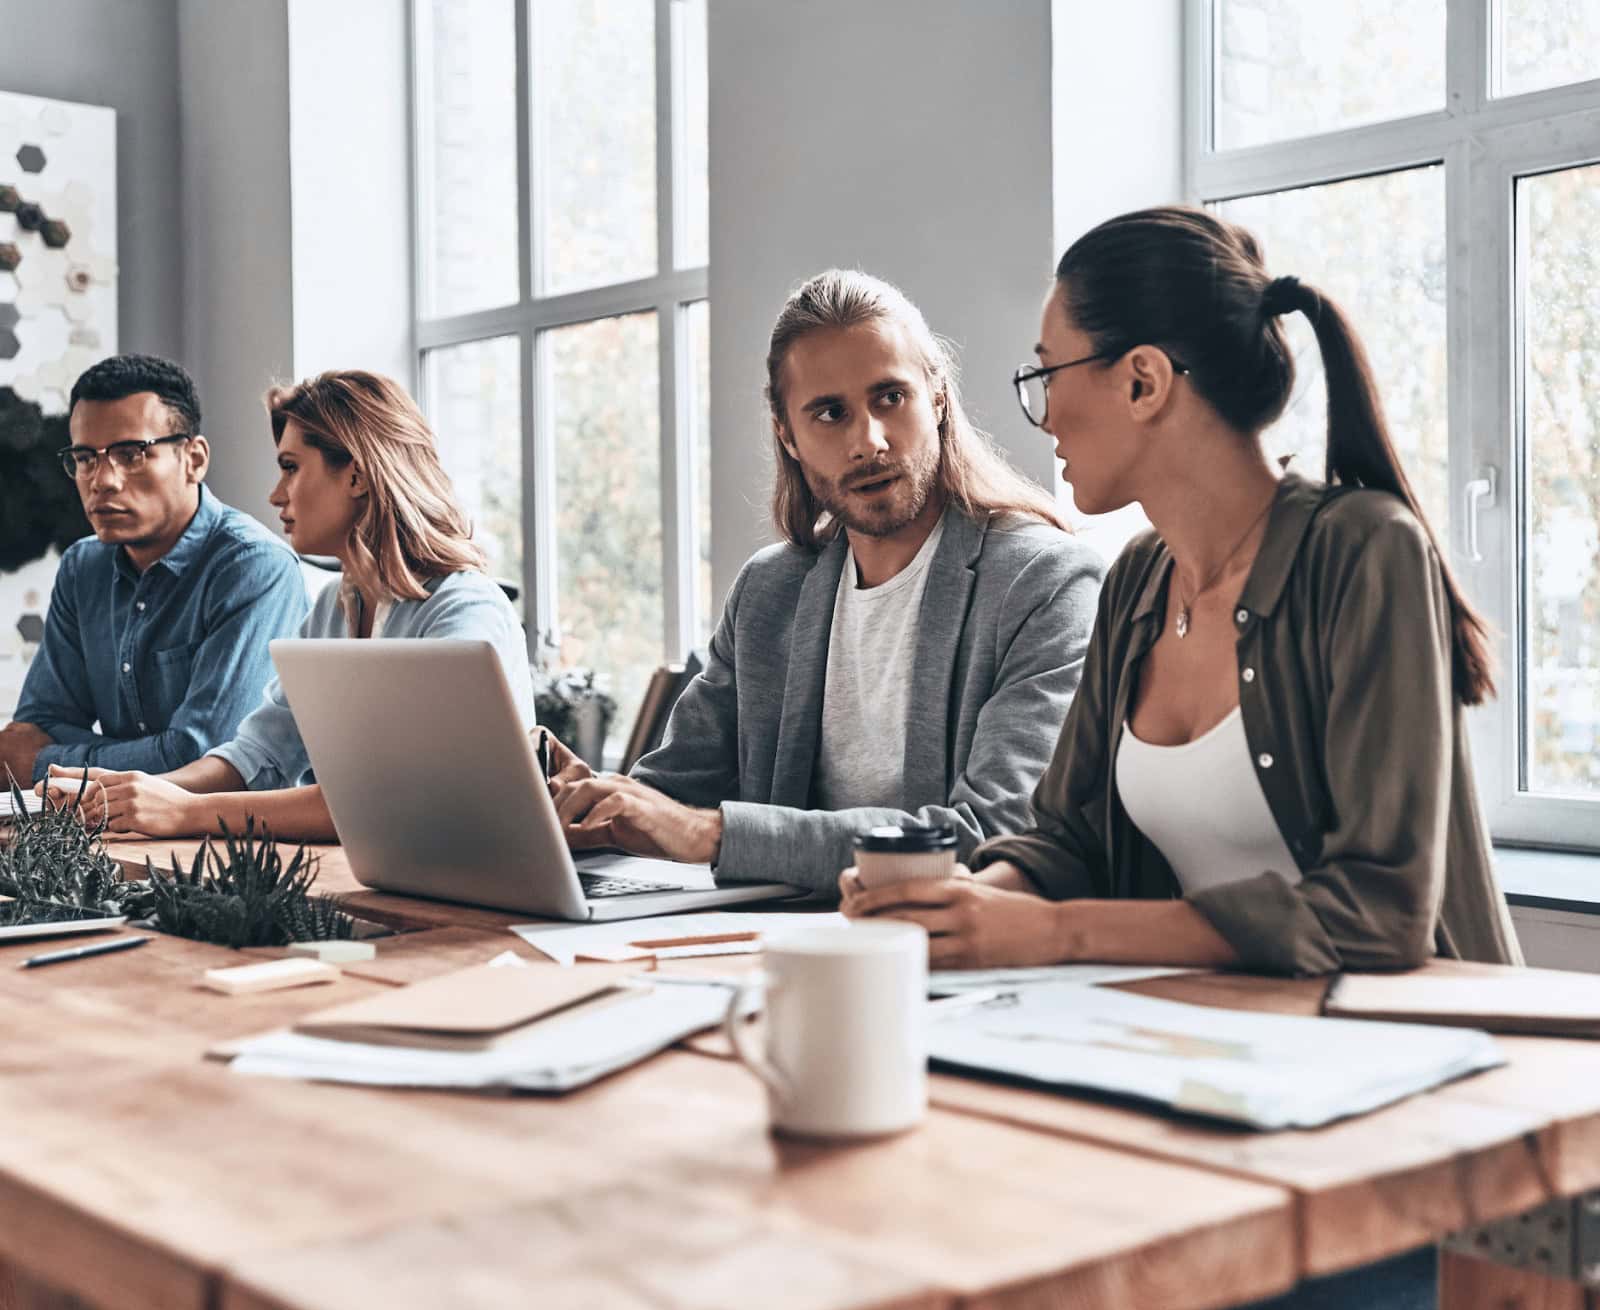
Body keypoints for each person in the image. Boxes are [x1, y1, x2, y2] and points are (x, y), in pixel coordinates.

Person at [842, 206, 1520, 979]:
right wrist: (959, 909)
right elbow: (1068, 840)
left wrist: (1059, 932)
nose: (1046, 414)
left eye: (1046, 374)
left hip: (1426, 1056)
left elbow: (1378, 912)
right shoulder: (1137, 579)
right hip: (1219, 1040)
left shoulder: (1365, 550)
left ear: (1142, 382)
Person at [548, 268, 1103, 890]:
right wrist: (581, 807)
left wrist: (711, 835)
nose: (867, 441)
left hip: (935, 951)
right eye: (830, 414)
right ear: (787, 433)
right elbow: (670, 792)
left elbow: (990, 837)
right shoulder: (768, 592)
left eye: (890, 398)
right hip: (764, 944)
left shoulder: (1045, 583)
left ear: (938, 396)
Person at [43, 370, 533, 840]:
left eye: (290, 468)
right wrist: (132, 792)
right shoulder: (331, 610)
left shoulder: (463, 610)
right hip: (394, 879)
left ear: (358, 476)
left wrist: (184, 810)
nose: (275, 495)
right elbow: (259, 753)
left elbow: (390, 801)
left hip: (496, 895)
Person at [1, 355, 307, 788]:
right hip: (121, 830)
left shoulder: (254, 567)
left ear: (194, 459)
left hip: (246, 847)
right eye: (86, 458)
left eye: (131, 454)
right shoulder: (81, 566)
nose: (103, 480)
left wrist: (46, 760)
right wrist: (148, 753)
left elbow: (206, 758)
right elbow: (38, 724)